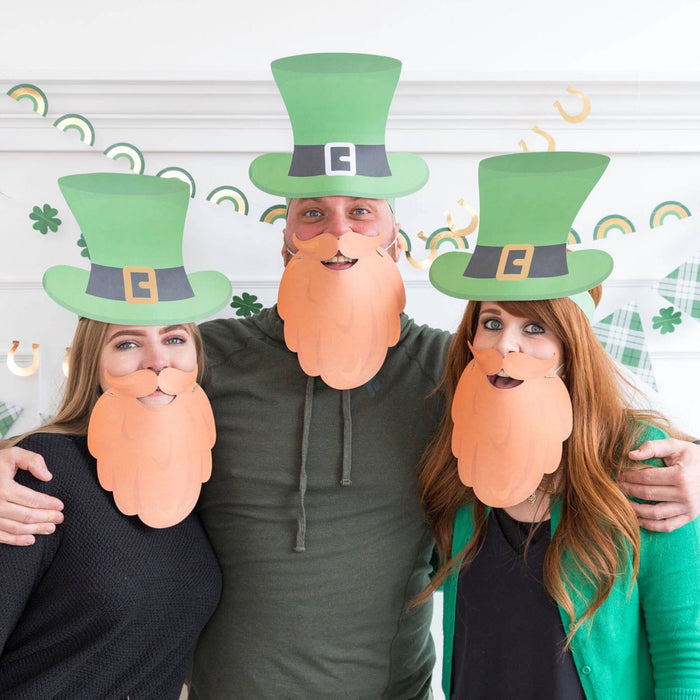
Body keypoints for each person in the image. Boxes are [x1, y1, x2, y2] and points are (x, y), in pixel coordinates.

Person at [1, 56, 700, 699]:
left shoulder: (454, 372)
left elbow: (580, 424)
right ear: (284, 240)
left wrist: (695, 463)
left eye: (362, 212)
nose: (338, 234)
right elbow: (96, 421)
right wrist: (6, 461)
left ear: (396, 239)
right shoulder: (202, 359)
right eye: (312, 215)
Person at [420, 151, 700, 699]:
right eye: (492, 321)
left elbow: (685, 649)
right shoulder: (456, 455)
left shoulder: (641, 459)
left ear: (571, 347)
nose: (506, 344)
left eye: (535, 328)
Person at [0, 172, 232, 697]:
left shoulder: (199, 479)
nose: (157, 360)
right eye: (127, 343)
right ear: (94, 363)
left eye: (175, 338)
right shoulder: (41, 471)